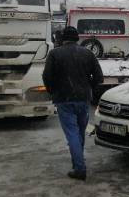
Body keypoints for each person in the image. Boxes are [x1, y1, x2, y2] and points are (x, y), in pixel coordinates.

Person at [42, 26, 104, 181]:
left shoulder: (55, 54)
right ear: (77, 38)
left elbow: (47, 76)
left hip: (64, 99)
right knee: (79, 132)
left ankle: (79, 168)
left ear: (63, 39)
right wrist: (88, 86)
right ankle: (78, 162)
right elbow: (99, 77)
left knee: (72, 133)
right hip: (83, 99)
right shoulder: (88, 53)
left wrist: (53, 90)